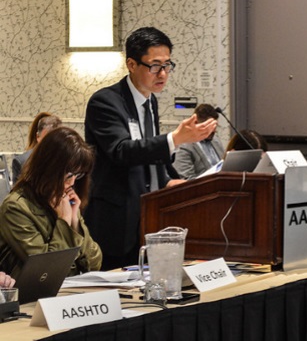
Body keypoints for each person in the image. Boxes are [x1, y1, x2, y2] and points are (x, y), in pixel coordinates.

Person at [84, 27, 217, 270]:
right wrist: (175, 139)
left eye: (167, 65)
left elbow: (148, 153)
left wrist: (167, 181)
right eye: (155, 66)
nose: (163, 74)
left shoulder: (150, 102)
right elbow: (121, 151)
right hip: (116, 219)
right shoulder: (105, 102)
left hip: (150, 216)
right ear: (132, 64)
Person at [0, 127, 102, 278]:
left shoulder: (66, 200)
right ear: (49, 168)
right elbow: (47, 270)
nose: (72, 182)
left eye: (78, 175)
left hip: (69, 291)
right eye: (68, 174)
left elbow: (94, 264)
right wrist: (64, 222)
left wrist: (75, 224)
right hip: (33, 297)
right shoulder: (15, 207)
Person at [173, 104, 225, 179]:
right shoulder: (183, 145)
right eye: (209, 126)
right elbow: (186, 179)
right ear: (196, 123)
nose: (214, 130)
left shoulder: (215, 140)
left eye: (215, 125)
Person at [12, 113, 62, 184]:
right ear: (38, 137)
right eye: (47, 140)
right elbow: (16, 193)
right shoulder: (22, 162)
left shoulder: (70, 160)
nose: (51, 145)